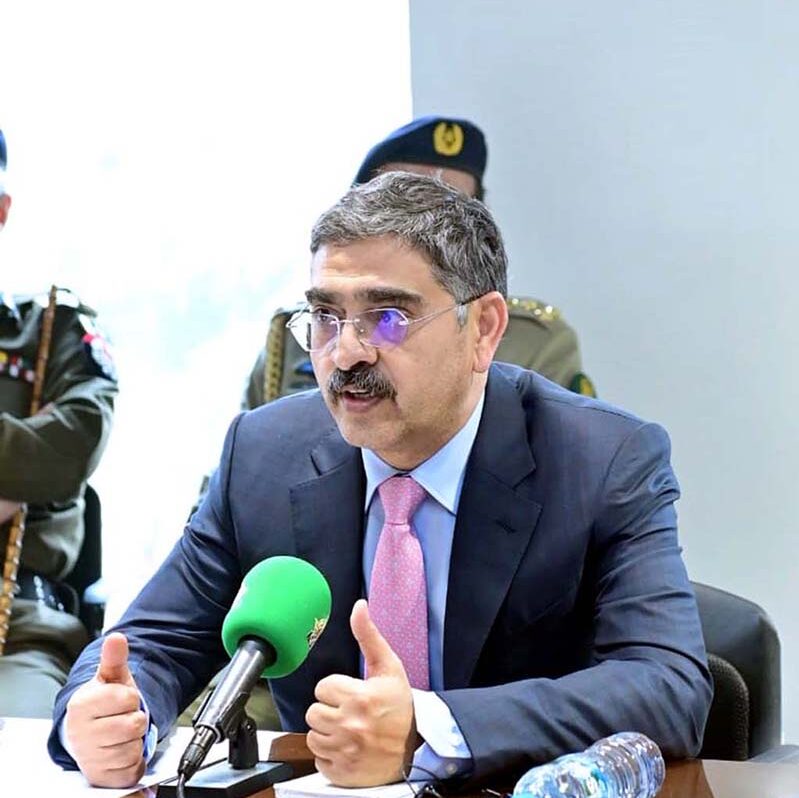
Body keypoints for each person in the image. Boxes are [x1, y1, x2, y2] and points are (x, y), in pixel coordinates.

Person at [49, 173, 711, 790]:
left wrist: (428, 727)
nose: (345, 352)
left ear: (483, 329)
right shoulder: (263, 454)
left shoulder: (602, 460)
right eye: (325, 317)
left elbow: (667, 685)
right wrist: (110, 714)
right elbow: (154, 643)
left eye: (388, 317)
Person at [244, 115, 595, 409]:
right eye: (399, 205)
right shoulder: (297, 335)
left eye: (448, 213)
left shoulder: (533, 340)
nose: (347, 353)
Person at [0, 128, 118, 717]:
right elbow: (38, 456)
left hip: (17, 630)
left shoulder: (54, 329)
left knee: (17, 752)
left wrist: (38, 461)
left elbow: (70, 448)